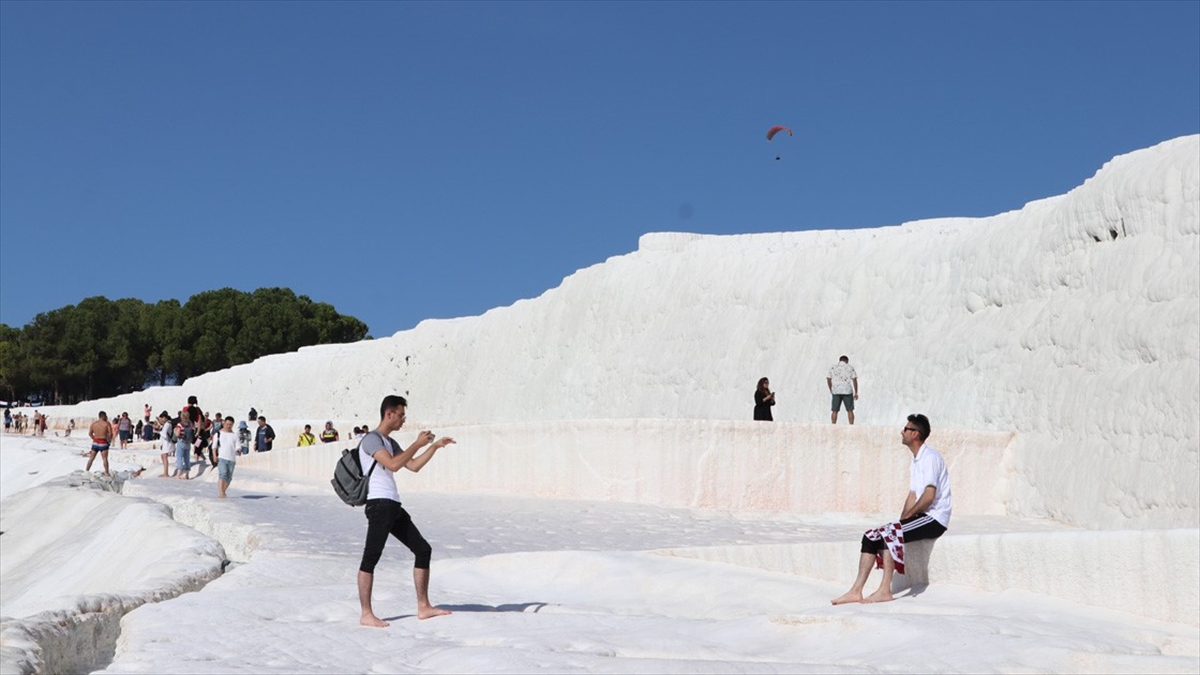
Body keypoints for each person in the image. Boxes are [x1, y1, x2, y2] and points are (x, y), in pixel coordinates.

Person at [832, 414, 952, 605]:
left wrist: (902, 522)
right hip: (922, 516)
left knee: (890, 533)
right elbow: (913, 495)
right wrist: (902, 520)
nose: (902, 432)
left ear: (915, 434)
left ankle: (884, 590)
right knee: (870, 535)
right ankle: (856, 591)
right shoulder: (916, 460)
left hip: (935, 518)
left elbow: (928, 497)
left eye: (906, 428)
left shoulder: (930, 458)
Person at [358, 394, 456, 627]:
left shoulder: (390, 443)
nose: (403, 420)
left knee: (423, 550)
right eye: (401, 415)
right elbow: (393, 465)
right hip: (379, 504)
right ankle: (366, 613)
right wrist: (416, 443)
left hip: (392, 504)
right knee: (371, 558)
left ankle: (424, 606)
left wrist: (433, 447)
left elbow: (412, 466)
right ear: (389, 414)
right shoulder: (371, 440)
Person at [827, 355, 859, 425]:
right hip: (847, 391)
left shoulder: (833, 367)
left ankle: (833, 425)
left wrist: (831, 388)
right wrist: (856, 392)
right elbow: (854, 380)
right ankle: (851, 425)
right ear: (846, 361)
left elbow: (828, 379)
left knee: (834, 410)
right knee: (850, 410)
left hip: (836, 391)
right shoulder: (850, 367)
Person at [214, 416, 239, 498]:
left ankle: (223, 491)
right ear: (224, 423)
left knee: (229, 477)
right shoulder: (218, 434)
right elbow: (214, 446)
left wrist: (239, 450)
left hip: (232, 459)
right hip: (222, 457)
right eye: (227, 424)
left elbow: (238, 446)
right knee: (223, 474)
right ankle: (221, 493)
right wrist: (215, 455)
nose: (228, 426)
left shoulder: (235, 435)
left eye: (230, 424)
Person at [86, 411, 113, 475]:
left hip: (95, 442)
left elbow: (90, 434)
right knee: (104, 459)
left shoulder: (94, 424)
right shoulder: (106, 423)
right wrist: (108, 441)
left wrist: (94, 438)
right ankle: (106, 472)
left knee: (91, 458)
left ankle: (87, 470)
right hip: (103, 442)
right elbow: (110, 434)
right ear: (104, 416)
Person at [157, 413, 174, 477]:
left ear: (165, 418)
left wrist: (158, 432)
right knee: (163, 456)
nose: (161, 420)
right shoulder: (168, 424)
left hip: (167, 443)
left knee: (164, 457)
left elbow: (164, 434)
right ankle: (165, 472)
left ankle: (166, 473)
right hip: (166, 443)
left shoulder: (167, 424)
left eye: (161, 418)